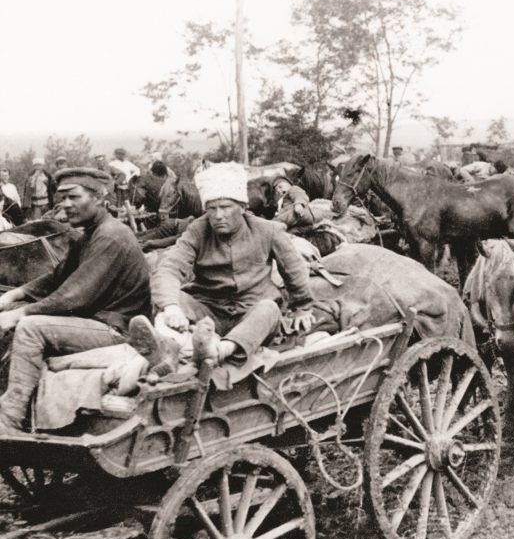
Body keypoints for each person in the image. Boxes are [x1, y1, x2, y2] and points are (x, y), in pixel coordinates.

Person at [0, 168, 151, 433]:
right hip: (94, 322)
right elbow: (54, 278)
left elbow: (73, 296)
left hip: (116, 329)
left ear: (98, 197)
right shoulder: (89, 234)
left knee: (30, 327)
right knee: (14, 312)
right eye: (62, 198)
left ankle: (10, 418)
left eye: (74, 197)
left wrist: (17, 314)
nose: (65, 205)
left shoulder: (111, 235)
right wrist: (12, 297)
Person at [145, 162, 314, 367]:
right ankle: (169, 350)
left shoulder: (268, 230)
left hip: (251, 315)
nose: (218, 216)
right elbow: (169, 268)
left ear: (242, 207)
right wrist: (172, 307)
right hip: (209, 313)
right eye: (211, 209)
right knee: (168, 301)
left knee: (269, 309)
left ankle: (218, 350)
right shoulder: (197, 231)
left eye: (225, 207)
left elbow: (293, 269)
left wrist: (302, 307)